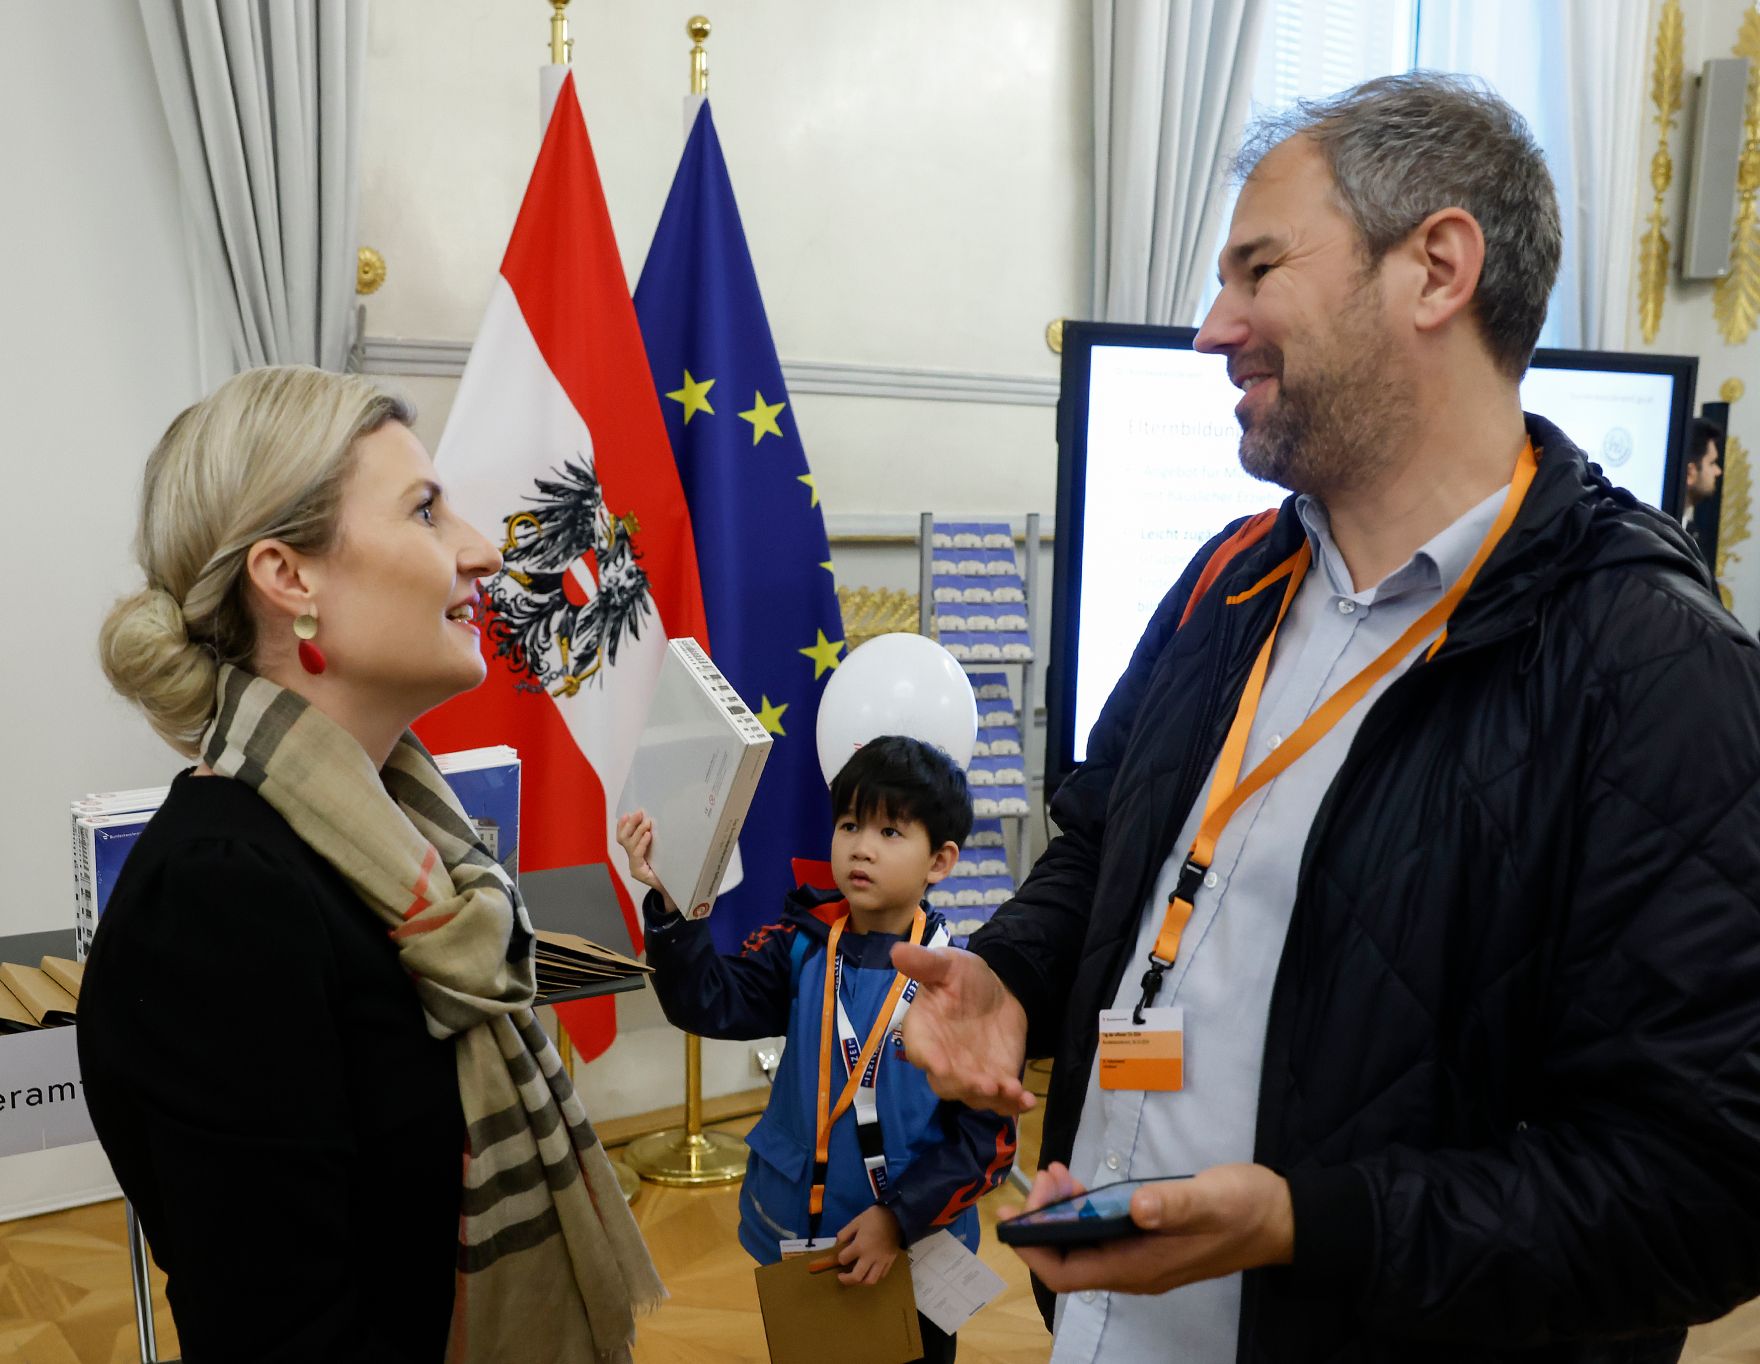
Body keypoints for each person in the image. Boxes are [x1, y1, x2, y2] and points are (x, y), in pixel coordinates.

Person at [893, 73, 1760, 1364]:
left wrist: (1314, 1225)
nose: (1211, 327)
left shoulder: (1655, 671)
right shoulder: (1229, 578)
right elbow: (1099, 836)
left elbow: (1703, 1191)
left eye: (1256, 269)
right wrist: (1015, 972)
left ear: (1436, 269)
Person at [81, 365, 663, 1362]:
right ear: (289, 577)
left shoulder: (403, 835)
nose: (480, 552)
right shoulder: (219, 901)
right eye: (425, 512)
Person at [618, 735, 1017, 1364]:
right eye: (850, 824)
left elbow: (987, 1143)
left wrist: (900, 1219)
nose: (861, 846)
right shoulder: (800, 946)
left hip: (916, 1247)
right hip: (802, 1235)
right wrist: (672, 907)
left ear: (939, 861)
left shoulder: (962, 983)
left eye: (890, 832)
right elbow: (706, 1002)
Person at [1682, 415, 1725, 550]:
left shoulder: (1693, 535)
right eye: (1711, 463)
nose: (1718, 471)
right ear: (1690, 472)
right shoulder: (1651, 535)